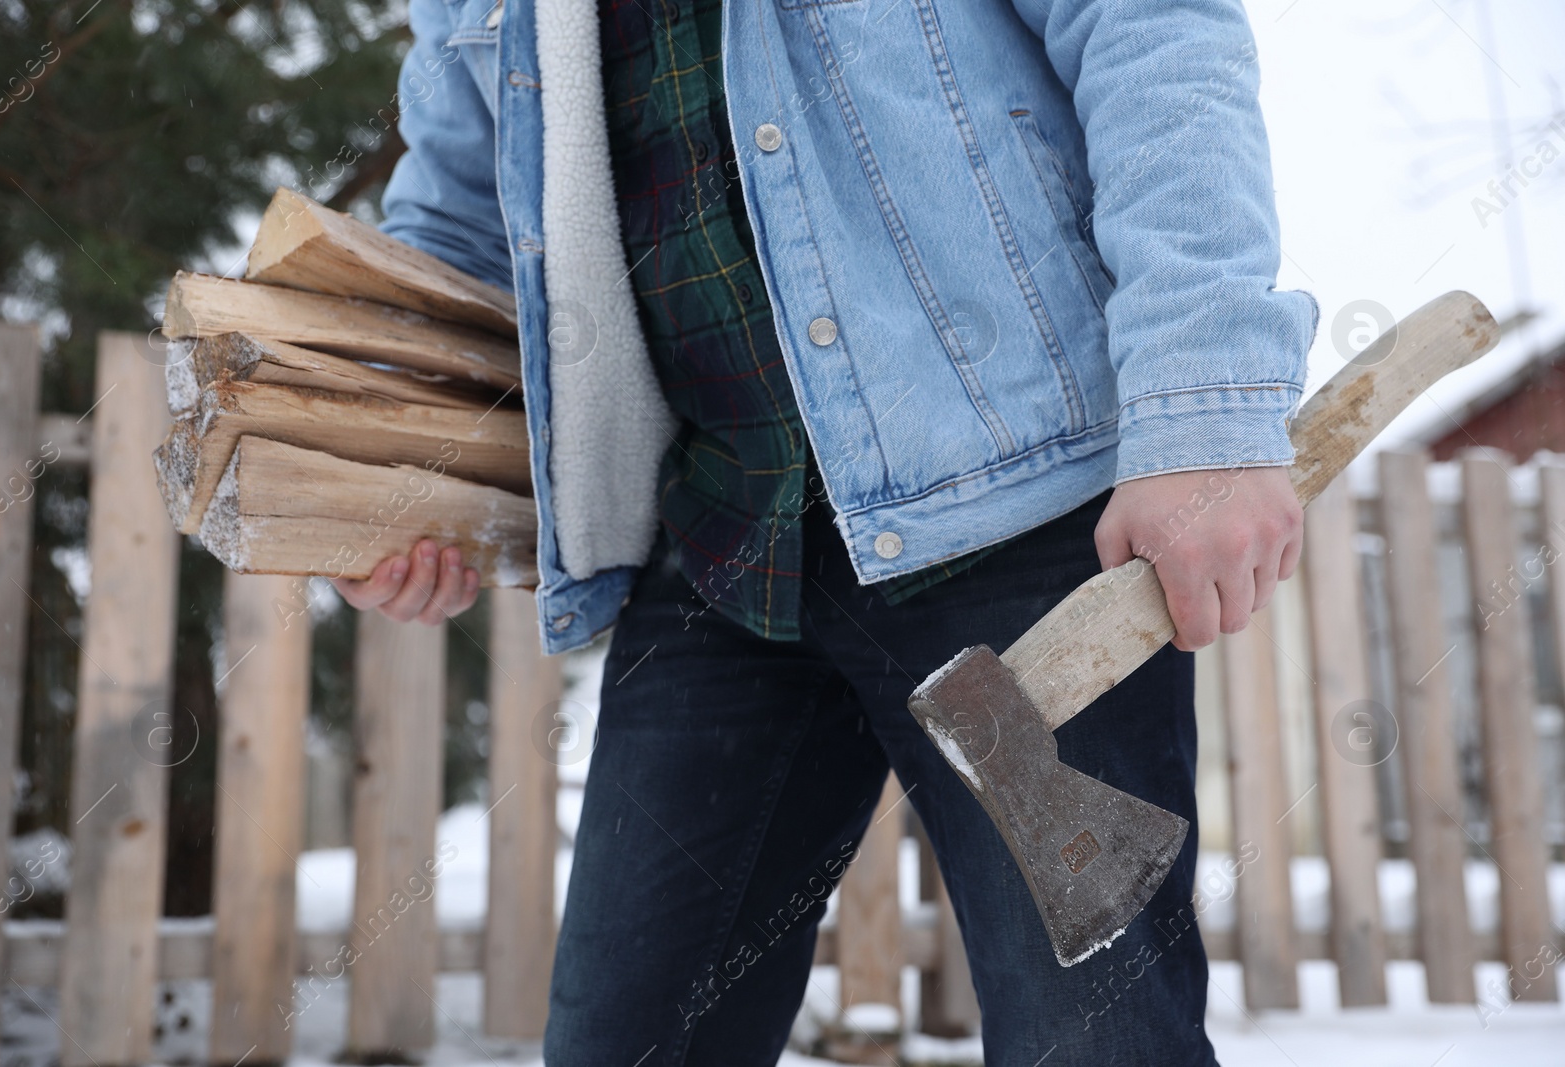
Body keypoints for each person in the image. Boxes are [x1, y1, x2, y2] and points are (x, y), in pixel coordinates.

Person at [333, 0, 1311, 1062]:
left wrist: (1203, 401)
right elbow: (460, 221)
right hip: (722, 545)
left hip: (1011, 526)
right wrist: (401, 478)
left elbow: (1148, 28)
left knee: (1091, 1041)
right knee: (627, 1040)